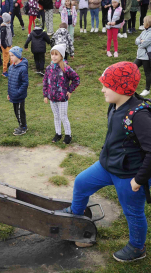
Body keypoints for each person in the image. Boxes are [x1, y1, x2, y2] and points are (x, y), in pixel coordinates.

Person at [61, 61, 151, 263]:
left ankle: (137, 248)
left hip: (129, 176)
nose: (102, 90)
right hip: (106, 166)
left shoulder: (140, 115)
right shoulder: (114, 105)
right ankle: (77, 217)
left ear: (121, 87)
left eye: (106, 85)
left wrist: (138, 180)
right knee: (81, 182)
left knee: (133, 212)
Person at [43, 44, 80, 144]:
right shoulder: (48, 68)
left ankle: (68, 135)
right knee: (56, 116)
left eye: (56, 54)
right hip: (52, 98)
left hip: (63, 98)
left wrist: (70, 90)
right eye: (52, 54)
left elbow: (76, 79)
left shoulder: (66, 68)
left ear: (61, 56)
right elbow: (45, 82)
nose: (54, 57)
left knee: (63, 116)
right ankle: (58, 134)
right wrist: (45, 95)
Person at [7, 46, 29, 136]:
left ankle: (23, 127)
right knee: (16, 112)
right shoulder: (11, 67)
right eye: (10, 56)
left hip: (19, 96)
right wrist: (9, 93)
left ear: (17, 56)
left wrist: (18, 92)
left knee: (20, 112)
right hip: (13, 95)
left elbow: (25, 83)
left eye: (12, 55)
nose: (10, 57)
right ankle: (21, 125)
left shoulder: (22, 68)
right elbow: (10, 82)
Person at [134, 15, 151, 96]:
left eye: (144, 21)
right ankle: (131, 85)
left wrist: (140, 41)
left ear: (148, 23)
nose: (143, 23)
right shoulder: (144, 31)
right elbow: (136, 40)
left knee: (147, 72)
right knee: (133, 68)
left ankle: (147, 89)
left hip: (146, 56)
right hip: (140, 55)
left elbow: (145, 43)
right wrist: (140, 41)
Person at [0, 13, 13, 78]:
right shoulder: (3, 28)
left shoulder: (8, 25)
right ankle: (4, 71)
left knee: (12, 58)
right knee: (6, 59)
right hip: (5, 46)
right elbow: (2, 39)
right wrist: (4, 46)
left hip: (9, 45)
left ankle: (11, 70)